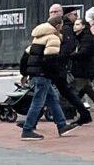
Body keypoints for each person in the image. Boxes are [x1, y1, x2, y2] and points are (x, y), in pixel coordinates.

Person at [20, 10, 73, 140]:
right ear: (58, 26)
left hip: (37, 74)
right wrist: (54, 74)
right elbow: (51, 59)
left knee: (53, 99)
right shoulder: (53, 38)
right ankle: (27, 130)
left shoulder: (38, 37)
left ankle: (62, 125)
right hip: (44, 74)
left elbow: (25, 55)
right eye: (61, 26)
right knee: (38, 102)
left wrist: (24, 73)